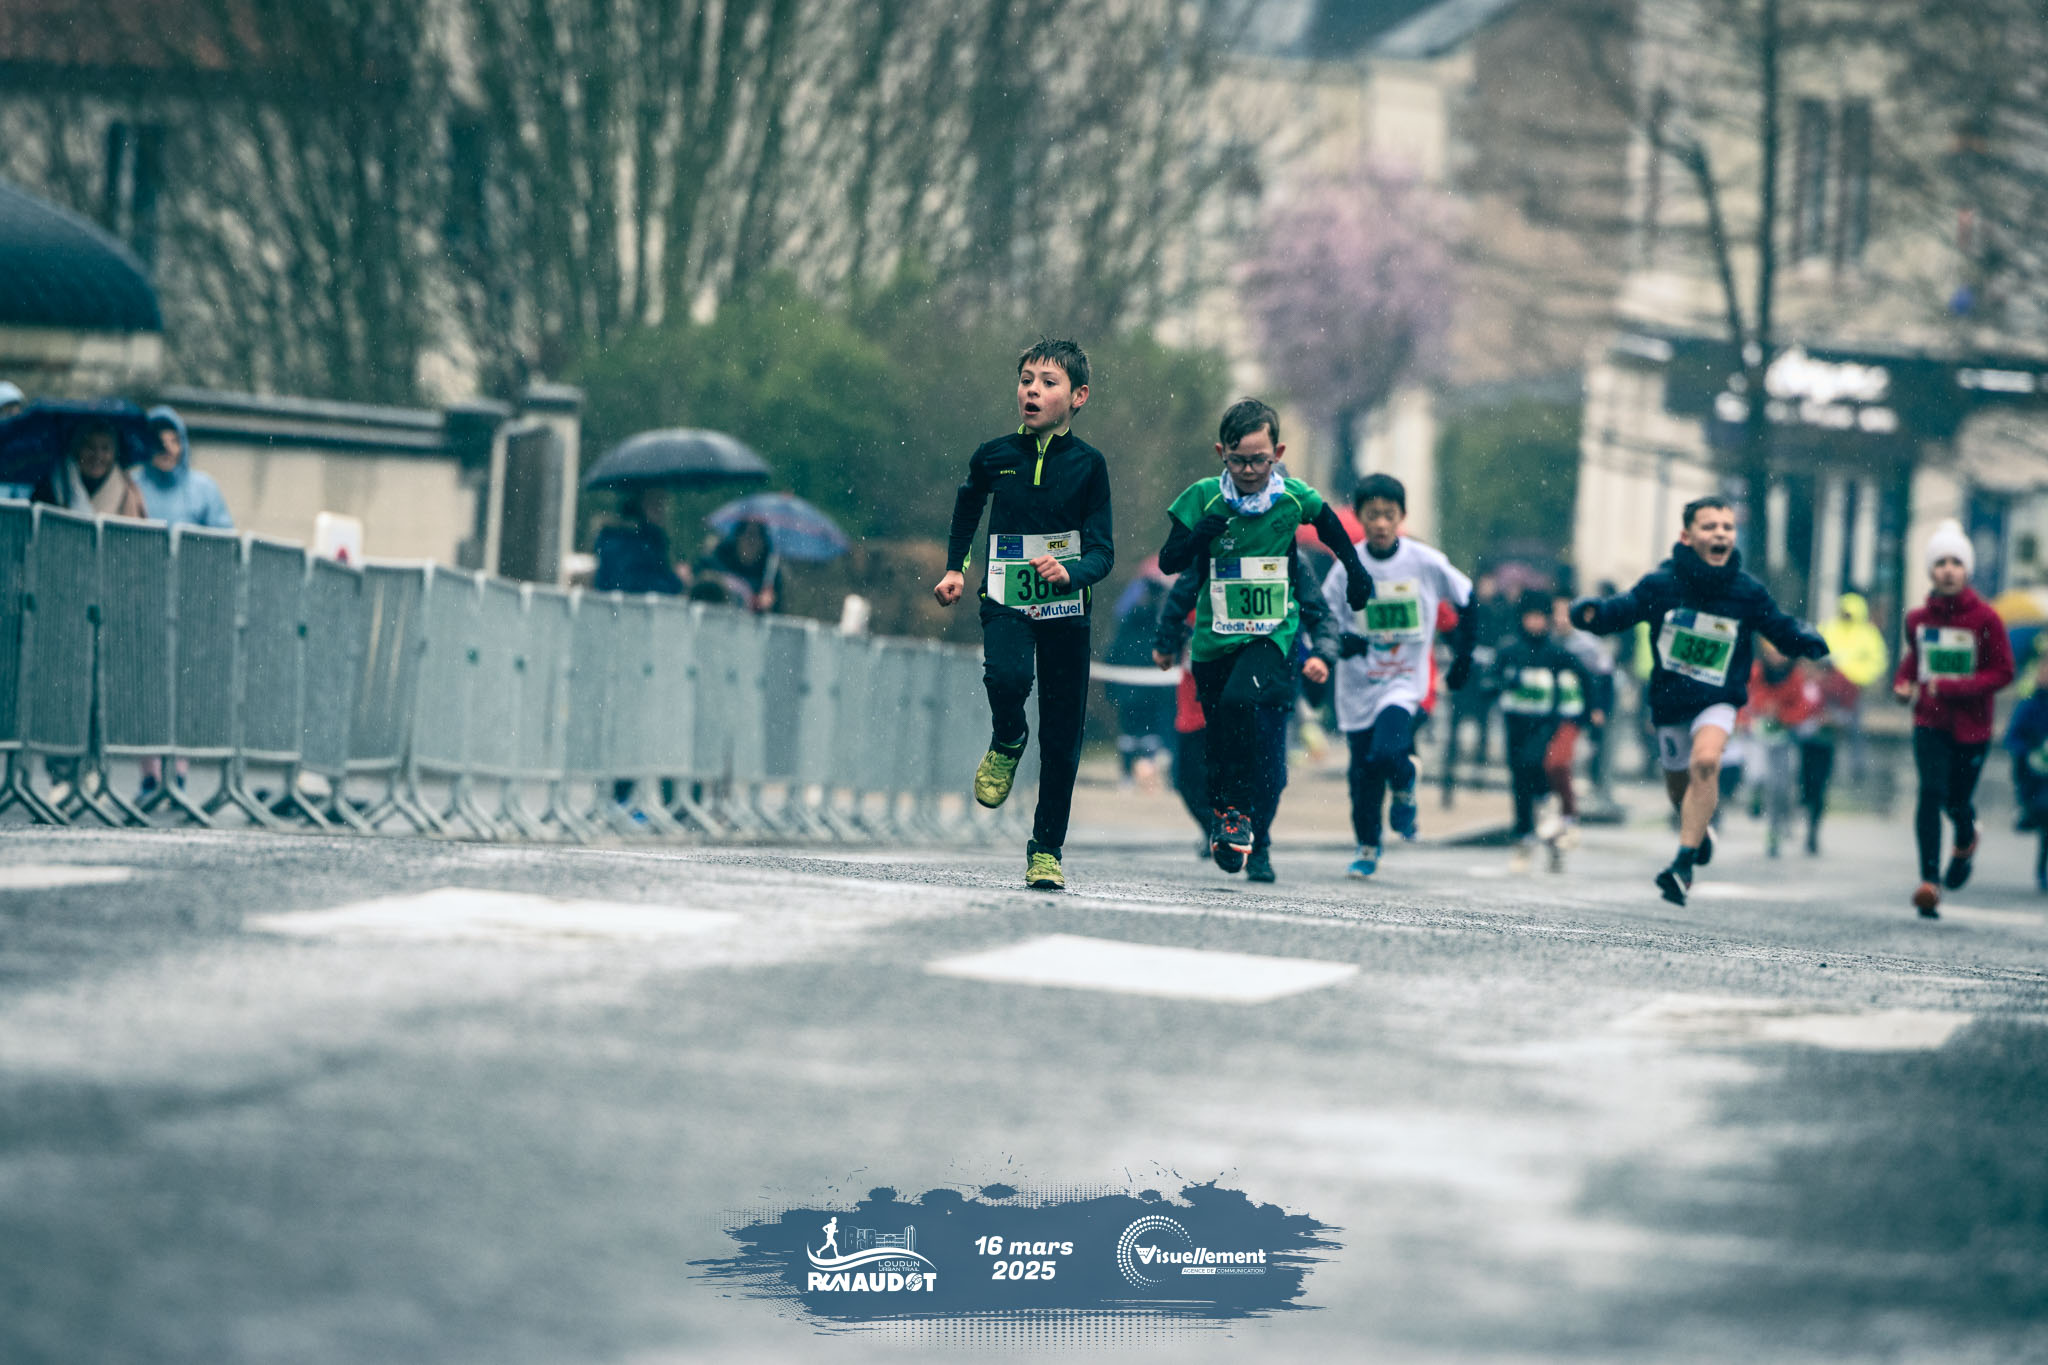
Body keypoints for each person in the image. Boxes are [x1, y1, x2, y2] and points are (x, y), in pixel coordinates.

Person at [1571, 495, 1828, 907]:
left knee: (1706, 762)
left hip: (1718, 698)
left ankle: (1683, 864)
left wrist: (1805, 640)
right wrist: (1592, 614)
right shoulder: (1661, 585)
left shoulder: (1746, 591)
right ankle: (1698, 829)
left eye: (1727, 527)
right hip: (1671, 701)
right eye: (1709, 527)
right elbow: (1623, 611)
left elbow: (1776, 625)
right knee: (1680, 792)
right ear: (1687, 536)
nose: (1720, 534)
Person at [1153, 398, 1372, 873]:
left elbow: (1330, 528)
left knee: (1253, 730)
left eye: (1260, 460)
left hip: (1271, 641)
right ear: (1221, 454)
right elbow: (1173, 566)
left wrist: (1356, 572)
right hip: (1214, 644)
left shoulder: (1292, 501)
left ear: (1278, 453)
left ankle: (1248, 827)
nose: (1250, 470)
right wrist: (1197, 538)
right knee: (1219, 739)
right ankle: (1227, 823)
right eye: (1239, 461)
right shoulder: (1203, 498)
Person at [935, 339, 1114, 892]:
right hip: (1006, 598)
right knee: (1007, 678)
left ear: (1078, 396)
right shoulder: (994, 456)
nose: (1032, 391)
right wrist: (956, 568)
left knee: (1062, 737)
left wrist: (1072, 572)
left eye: (1048, 382)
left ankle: (1046, 850)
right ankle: (1009, 736)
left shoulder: (1089, 465)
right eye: (1026, 380)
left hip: (1066, 610)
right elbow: (968, 505)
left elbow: (1103, 551)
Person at [1153, 541, 1339, 882]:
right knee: (1197, 772)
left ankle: (1258, 843)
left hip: (1272, 679)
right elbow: (1180, 594)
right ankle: (1223, 828)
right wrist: (1167, 638)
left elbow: (1320, 613)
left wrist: (1323, 653)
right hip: (1217, 678)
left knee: (1270, 774)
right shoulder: (1216, 546)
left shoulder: (1292, 557)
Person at [1325, 472, 1475, 878]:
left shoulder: (1424, 562)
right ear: (1359, 517)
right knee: (1362, 775)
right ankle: (1367, 846)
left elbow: (1467, 598)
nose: (1380, 524)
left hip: (1404, 681)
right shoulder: (1346, 567)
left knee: (1387, 752)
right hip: (1358, 685)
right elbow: (1323, 620)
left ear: (1401, 517)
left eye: (1389, 515)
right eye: (1372, 515)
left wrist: (1463, 658)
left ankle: (1405, 781)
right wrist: (1341, 643)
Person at [1892, 521, 2015, 917]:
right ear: (1931, 571)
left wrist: (1954, 686)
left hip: (1972, 728)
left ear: (1967, 570)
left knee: (1957, 801)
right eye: (1941, 562)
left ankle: (1966, 838)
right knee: (1930, 793)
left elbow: (2003, 672)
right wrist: (1902, 684)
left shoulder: (1986, 619)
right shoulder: (1917, 619)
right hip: (1929, 721)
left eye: (1956, 563)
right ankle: (1929, 881)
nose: (1948, 570)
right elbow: (1915, 661)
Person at [1491, 590, 1597, 873]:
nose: (1536, 623)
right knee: (1520, 782)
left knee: (1541, 773)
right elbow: (1489, 680)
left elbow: (1586, 679)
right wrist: (1502, 683)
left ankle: (1553, 838)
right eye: (1531, 617)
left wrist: (1590, 713)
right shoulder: (1510, 650)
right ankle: (1523, 840)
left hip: (1546, 726)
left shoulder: (1557, 653)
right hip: (1516, 725)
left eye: (1540, 617)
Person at [1744, 639, 1823, 859]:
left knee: (1780, 788)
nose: (1777, 658)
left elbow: (1802, 708)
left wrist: (1782, 716)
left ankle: (1774, 831)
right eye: (1773, 653)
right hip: (1757, 735)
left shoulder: (1795, 676)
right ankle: (1755, 798)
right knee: (1755, 776)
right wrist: (1755, 714)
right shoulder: (1756, 671)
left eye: (1781, 653)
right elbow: (1745, 697)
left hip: (1783, 738)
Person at [1440, 570, 1507, 803]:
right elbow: (1452, 635)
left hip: (1481, 681)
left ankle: (1478, 777)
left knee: (1482, 730)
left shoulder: (1497, 610)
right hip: (1465, 678)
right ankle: (1449, 782)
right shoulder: (1467, 608)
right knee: (1454, 733)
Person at [1107, 564, 1175, 790]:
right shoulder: (1157, 624)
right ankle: (1139, 775)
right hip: (1147, 690)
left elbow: (1113, 653)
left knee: (1133, 733)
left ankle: (1130, 775)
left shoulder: (1128, 621)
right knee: (1145, 733)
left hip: (1132, 690)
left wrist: (1112, 688)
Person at [137, 406, 233, 528]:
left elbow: (224, 535)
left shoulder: (205, 488)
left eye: (174, 441)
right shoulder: (132, 486)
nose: (167, 449)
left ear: (183, 445)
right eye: (158, 442)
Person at [32, 419, 146, 518]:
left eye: (105, 448)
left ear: (114, 453)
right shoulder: (51, 485)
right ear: (76, 449)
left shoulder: (127, 491)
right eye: (90, 447)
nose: (98, 456)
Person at [2004, 649, 2048, 892]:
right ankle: (2027, 813)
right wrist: (2031, 753)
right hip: (2035, 776)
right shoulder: (2030, 705)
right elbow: (2013, 737)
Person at [594, 487, 687, 595]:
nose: (662, 509)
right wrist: (677, 581)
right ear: (641, 504)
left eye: (663, 503)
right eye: (656, 503)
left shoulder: (612, 536)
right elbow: (638, 582)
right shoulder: (642, 541)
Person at [695, 518, 782, 613]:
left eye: (758, 536)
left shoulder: (769, 578)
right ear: (738, 537)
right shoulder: (714, 561)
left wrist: (767, 606)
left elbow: (777, 613)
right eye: (748, 534)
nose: (751, 541)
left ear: (763, 543)